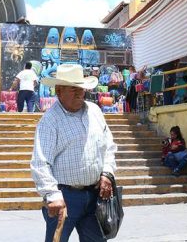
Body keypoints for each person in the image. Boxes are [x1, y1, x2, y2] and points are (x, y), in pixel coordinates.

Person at [30, 63, 118, 242]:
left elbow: (108, 145)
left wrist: (107, 173)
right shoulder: (50, 121)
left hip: (94, 196)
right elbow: (41, 162)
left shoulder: (94, 111)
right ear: (59, 90)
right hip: (64, 197)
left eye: (81, 88)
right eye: (73, 89)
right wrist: (52, 194)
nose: (79, 93)